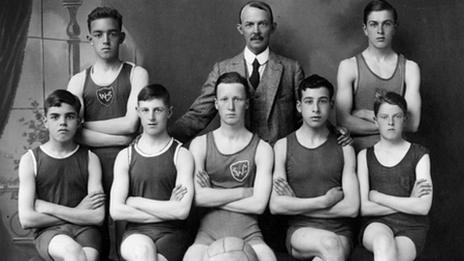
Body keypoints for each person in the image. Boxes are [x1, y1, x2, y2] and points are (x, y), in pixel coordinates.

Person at [67, 6, 149, 260]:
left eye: (112, 33)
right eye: (98, 34)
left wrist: (85, 124)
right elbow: (72, 132)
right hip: (89, 166)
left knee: (128, 233)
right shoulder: (78, 81)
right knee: (95, 232)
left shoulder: (136, 73)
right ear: (89, 38)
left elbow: (131, 124)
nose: (105, 40)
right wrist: (121, 136)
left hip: (129, 164)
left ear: (121, 37)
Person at [169, 1, 304, 145]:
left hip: (278, 160)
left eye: (262, 24)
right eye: (249, 24)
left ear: (272, 28)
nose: (256, 31)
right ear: (240, 29)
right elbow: (198, 115)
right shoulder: (222, 69)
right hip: (235, 158)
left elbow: (307, 117)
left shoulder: (291, 69)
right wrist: (163, 142)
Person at [183, 72, 276, 261]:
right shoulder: (200, 144)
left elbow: (258, 205)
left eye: (237, 99)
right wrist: (244, 192)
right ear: (216, 103)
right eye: (224, 99)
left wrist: (213, 194)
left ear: (247, 103)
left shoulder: (262, 149)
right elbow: (198, 198)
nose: (231, 106)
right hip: (207, 237)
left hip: (250, 236)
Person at [270, 75, 359, 261]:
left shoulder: (345, 147)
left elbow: (351, 207)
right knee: (329, 244)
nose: (316, 109)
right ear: (299, 106)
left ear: (331, 104)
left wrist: (296, 204)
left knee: (327, 251)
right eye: (309, 102)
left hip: (341, 232)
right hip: (300, 231)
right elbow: (276, 206)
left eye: (322, 101)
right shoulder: (283, 146)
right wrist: (324, 201)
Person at [18, 90, 105, 261]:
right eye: (55, 117)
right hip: (50, 233)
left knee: (86, 258)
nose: (63, 123)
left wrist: (49, 207)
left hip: (85, 231)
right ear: (45, 122)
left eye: (70, 116)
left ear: (79, 121)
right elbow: (27, 219)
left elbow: (97, 216)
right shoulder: (31, 160)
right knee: (73, 253)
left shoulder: (90, 158)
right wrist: (78, 211)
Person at [110, 84, 194, 261]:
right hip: (135, 233)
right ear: (138, 112)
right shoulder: (125, 156)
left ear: (169, 112)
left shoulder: (182, 155)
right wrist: (166, 209)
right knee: (143, 253)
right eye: (145, 110)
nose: (151, 117)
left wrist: (135, 201)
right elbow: (117, 211)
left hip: (172, 234)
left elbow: (181, 211)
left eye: (158, 110)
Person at [336, 0, 421, 152]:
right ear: (365, 29)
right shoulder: (349, 66)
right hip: (359, 155)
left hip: (397, 156)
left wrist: (365, 114)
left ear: (394, 28)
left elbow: (413, 124)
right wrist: (392, 123)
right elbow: (344, 121)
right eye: (374, 24)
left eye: (386, 24)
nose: (380, 31)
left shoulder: (410, 68)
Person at [357, 92, 432, 261]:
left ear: (404, 119)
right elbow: (364, 208)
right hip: (376, 224)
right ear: (376, 120)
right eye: (384, 117)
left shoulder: (419, 154)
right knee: (383, 242)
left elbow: (422, 207)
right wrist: (409, 201)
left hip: (412, 228)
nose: (390, 123)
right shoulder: (364, 156)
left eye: (396, 116)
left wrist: (377, 196)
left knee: (392, 257)